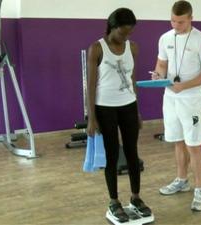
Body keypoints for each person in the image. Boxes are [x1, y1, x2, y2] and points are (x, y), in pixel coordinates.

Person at [86, 8, 152, 223]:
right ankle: (114, 201)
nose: (126, 37)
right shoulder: (97, 48)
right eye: (122, 32)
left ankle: (135, 197)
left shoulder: (132, 47)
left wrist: (138, 111)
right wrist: (92, 119)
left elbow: (132, 81)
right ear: (112, 27)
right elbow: (91, 86)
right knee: (112, 156)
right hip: (105, 108)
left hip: (128, 106)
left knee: (133, 154)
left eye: (129, 33)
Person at [151, 0, 201, 211]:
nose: (175, 25)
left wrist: (185, 85)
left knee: (193, 145)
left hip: (191, 100)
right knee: (178, 141)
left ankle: (200, 190)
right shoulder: (165, 38)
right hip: (170, 98)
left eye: (180, 22)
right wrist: (158, 76)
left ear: (190, 19)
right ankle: (181, 180)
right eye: (172, 21)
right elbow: (161, 64)